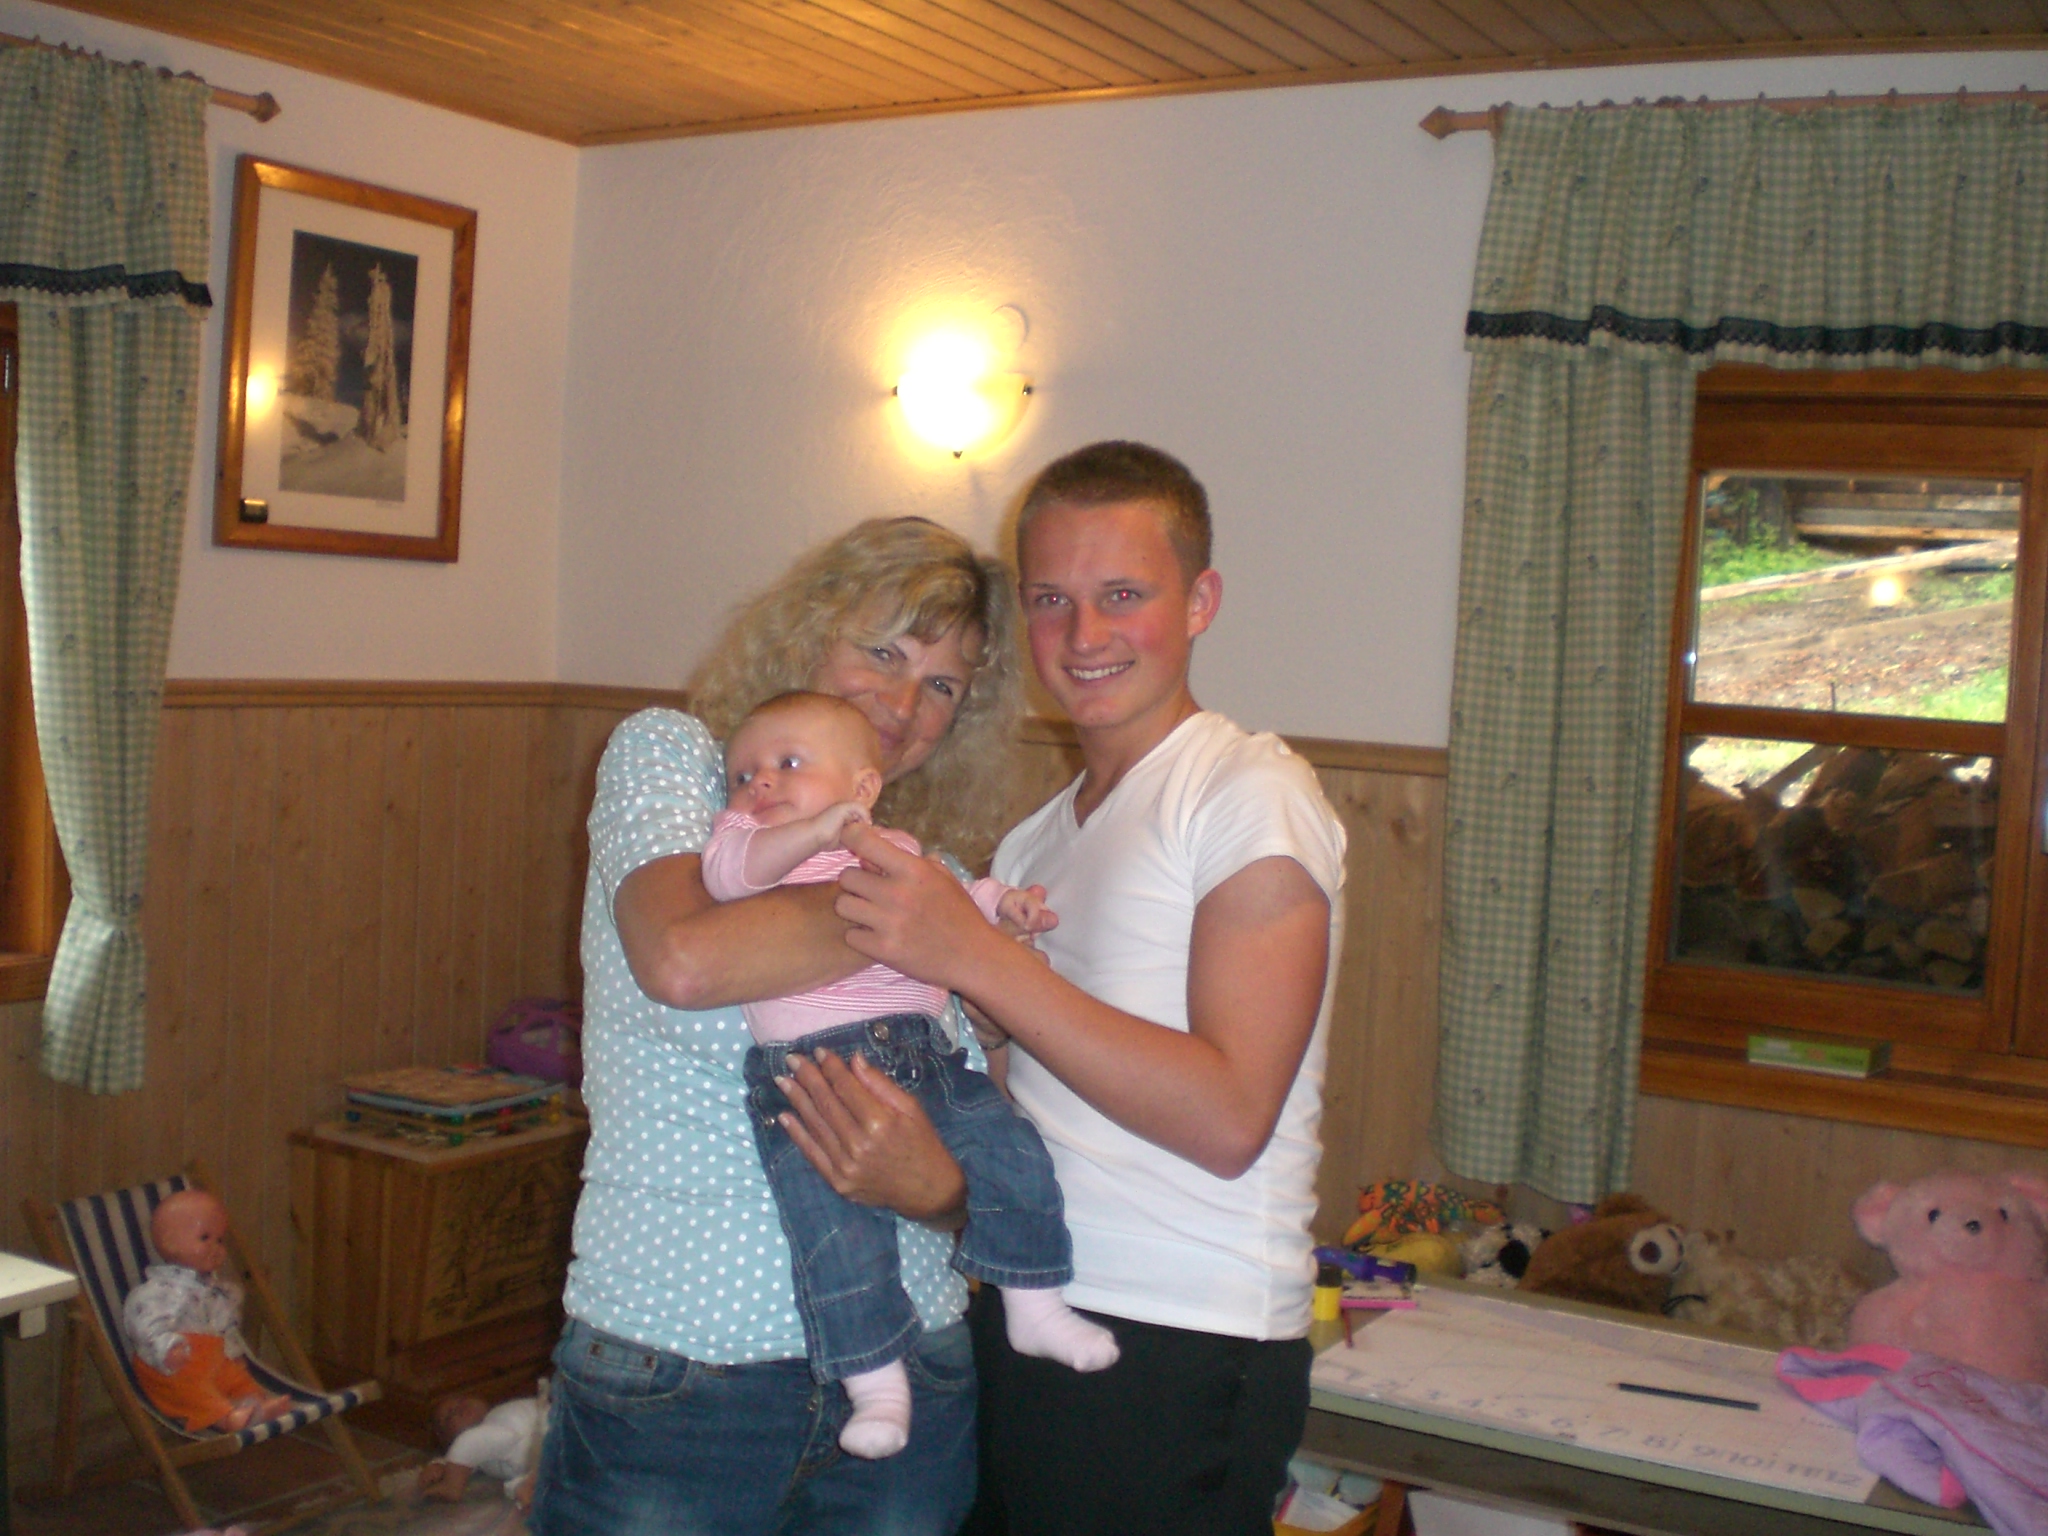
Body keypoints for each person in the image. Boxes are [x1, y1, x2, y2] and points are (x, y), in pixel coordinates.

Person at [833, 442, 1348, 1535]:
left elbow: (1228, 1118)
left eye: (1123, 595)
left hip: (1181, 1335)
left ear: (1199, 602)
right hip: (1028, 1299)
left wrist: (978, 962)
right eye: (1050, 601)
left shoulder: (1246, 792)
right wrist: (982, 1024)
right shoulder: (1035, 841)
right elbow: (1033, 1104)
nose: (1083, 636)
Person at [529, 516, 1024, 1536]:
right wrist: (928, 921)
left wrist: (940, 1187)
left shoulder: (934, 869)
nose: (904, 704)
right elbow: (686, 958)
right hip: (678, 1361)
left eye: (942, 684)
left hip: (915, 1366)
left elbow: (991, 1162)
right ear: (805, 633)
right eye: (882, 651)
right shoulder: (680, 764)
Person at [704, 689, 1118, 1460]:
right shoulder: (748, 839)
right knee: (837, 1238)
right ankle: (877, 1386)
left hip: (922, 1056)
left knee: (1013, 1150)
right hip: (809, 1073)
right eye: (743, 773)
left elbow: (952, 895)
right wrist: (812, 830)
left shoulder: (891, 847)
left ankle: (1033, 1303)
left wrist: (1004, 903)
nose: (759, 783)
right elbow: (729, 877)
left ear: (862, 787)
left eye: (788, 763)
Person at [122, 1189, 292, 1433]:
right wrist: (166, 1348)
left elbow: (226, 1326)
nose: (217, 1247)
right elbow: (144, 1325)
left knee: (238, 1378)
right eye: (205, 1238)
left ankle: (254, 1406)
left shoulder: (218, 1291)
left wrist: (232, 1351)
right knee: (191, 1388)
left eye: (220, 1240)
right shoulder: (157, 1291)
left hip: (212, 1359)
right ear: (170, 1243)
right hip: (171, 1364)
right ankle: (226, 1419)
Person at [419, 1390, 545, 1504]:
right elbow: (466, 1460)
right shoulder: (478, 1453)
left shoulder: (495, 1420)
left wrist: (451, 1482)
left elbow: (469, 1445)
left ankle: (451, 1488)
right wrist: (440, 1465)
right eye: (449, 1417)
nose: (457, 1408)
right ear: (449, 1441)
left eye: (462, 1400)